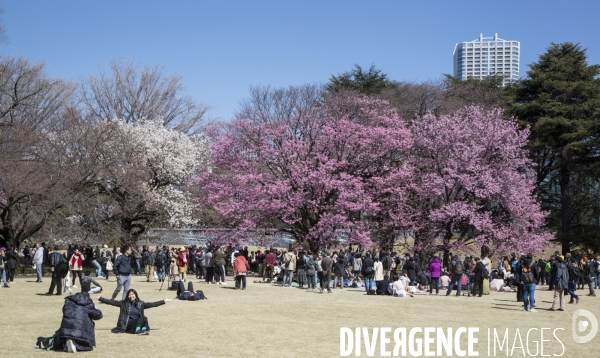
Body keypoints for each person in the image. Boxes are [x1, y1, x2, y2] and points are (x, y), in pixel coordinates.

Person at [35, 292, 103, 353]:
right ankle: (75, 345)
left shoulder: (69, 301)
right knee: (89, 347)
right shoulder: (88, 303)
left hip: (66, 329)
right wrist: (96, 308)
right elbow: (98, 316)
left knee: (67, 325)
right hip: (81, 331)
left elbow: (64, 311)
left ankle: (68, 343)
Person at [96, 289, 172, 334]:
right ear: (127, 296)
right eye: (129, 295)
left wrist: (164, 301)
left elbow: (152, 304)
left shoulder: (140, 304)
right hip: (127, 324)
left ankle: (142, 330)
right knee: (142, 319)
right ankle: (139, 330)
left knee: (144, 318)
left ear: (135, 295)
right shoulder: (123, 304)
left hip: (137, 323)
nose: (131, 296)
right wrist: (100, 298)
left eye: (132, 294)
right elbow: (111, 302)